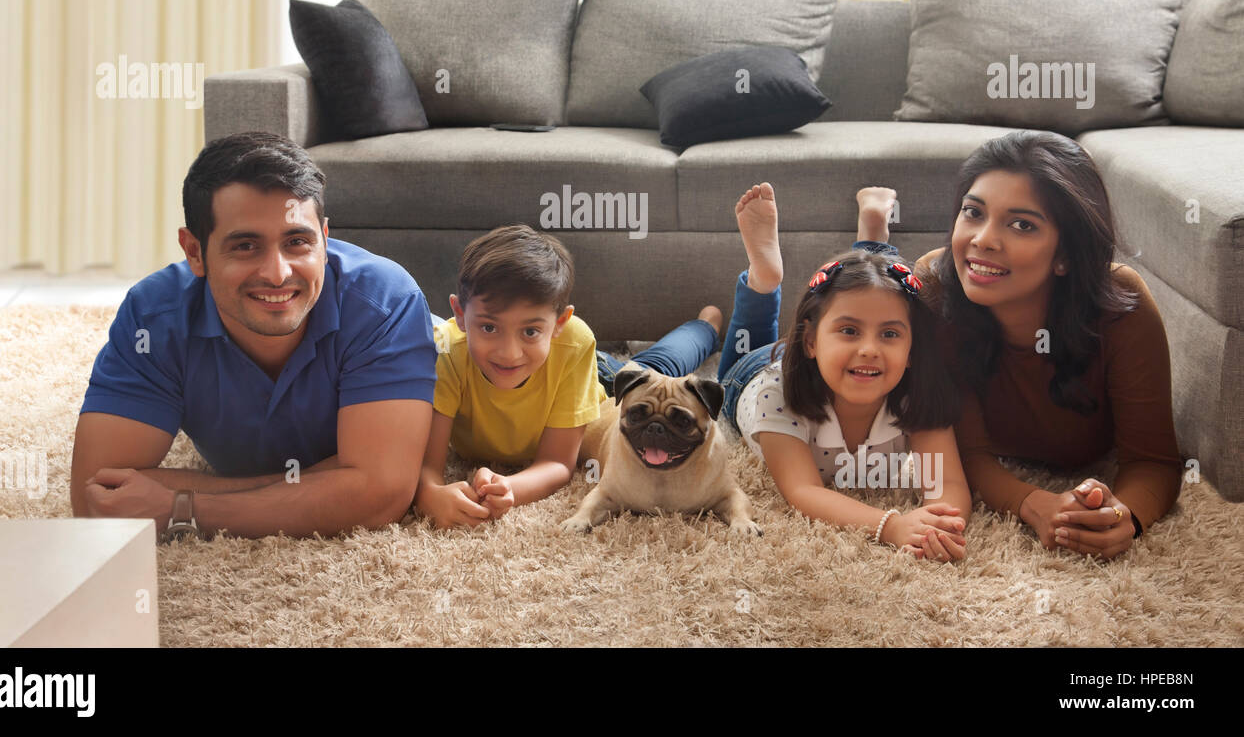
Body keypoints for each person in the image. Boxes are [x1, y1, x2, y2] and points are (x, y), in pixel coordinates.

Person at [71, 131, 438, 539]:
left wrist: (181, 504)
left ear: (325, 239)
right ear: (194, 252)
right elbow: (98, 498)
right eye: (246, 246)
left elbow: (382, 496)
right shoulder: (153, 317)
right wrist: (334, 481)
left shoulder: (386, 301)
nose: (277, 273)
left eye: (297, 241)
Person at [898, 130, 1182, 559]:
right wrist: (1038, 505)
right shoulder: (937, 287)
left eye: (1022, 224)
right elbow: (971, 454)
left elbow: (1154, 462)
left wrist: (1122, 518)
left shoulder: (1122, 306)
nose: (983, 239)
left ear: (1065, 253)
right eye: (973, 213)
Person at [716, 183, 971, 561]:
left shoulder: (919, 390)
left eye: (890, 334)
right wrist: (892, 525)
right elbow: (803, 491)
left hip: (831, 357)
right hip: (754, 375)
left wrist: (941, 523)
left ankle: (872, 236)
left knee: (879, 285)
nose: (870, 347)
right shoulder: (778, 395)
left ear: (913, 350)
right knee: (744, 344)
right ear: (810, 342)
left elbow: (947, 481)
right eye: (851, 330)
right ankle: (763, 282)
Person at [414, 224, 721, 529]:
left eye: (530, 331)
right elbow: (428, 468)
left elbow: (559, 462)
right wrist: (430, 495)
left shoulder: (574, 343)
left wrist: (510, 489)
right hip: (545, 361)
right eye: (489, 328)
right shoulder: (445, 351)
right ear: (459, 313)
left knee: (659, 370)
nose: (509, 353)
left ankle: (705, 325)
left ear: (560, 322)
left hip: (599, 376)